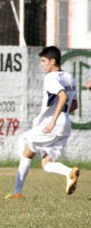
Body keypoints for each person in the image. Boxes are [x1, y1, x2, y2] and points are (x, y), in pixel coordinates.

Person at [6, 46, 80, 200]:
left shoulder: (51, 77)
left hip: (51, 124)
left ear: (53, 61)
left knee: (27, 148)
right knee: (46, 163)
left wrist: (53, 120)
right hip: (65, 124)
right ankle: (69, 172)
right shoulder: (70, 78)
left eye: (43, 61)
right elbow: (74, 105)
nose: (42, 64)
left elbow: (63, 97)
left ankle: (17, 192)